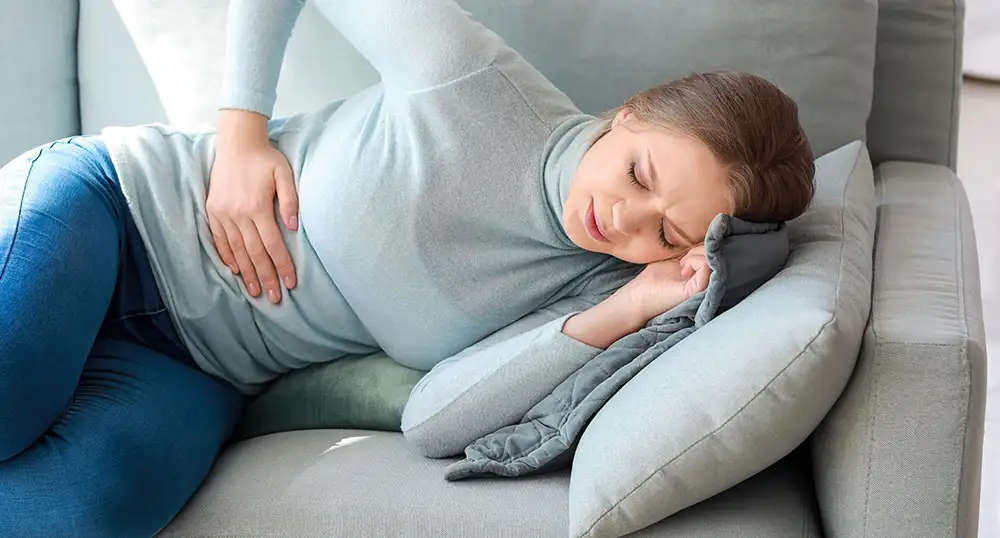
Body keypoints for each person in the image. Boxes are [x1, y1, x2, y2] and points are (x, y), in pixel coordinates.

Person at [0, 0, 815, 536]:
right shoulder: (472, 80)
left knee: (79, 516)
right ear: (630, 112)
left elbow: (433, 421)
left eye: (667, 233)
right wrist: (242, 134)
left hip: (196, 366)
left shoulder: (591, 289)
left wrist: (627, 310)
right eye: (639, 175)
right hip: (118, 211)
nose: (626, 220)